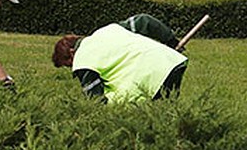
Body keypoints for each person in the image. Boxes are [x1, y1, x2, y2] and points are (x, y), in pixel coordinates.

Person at [51, 13, 187, 104]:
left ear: (72, 52)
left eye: (69, 64)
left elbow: (96, 100)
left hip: (148, 79)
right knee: (169, 112)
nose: (73, 67)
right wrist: (171, 41)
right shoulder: (109, 30)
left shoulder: (82, 59)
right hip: (171, 62)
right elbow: (145, 20)